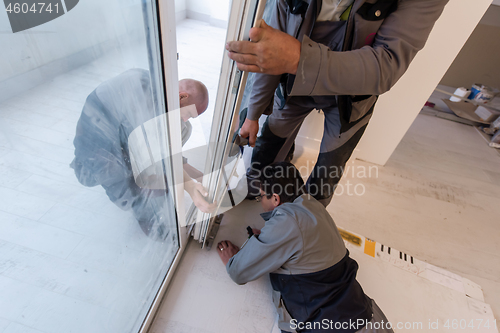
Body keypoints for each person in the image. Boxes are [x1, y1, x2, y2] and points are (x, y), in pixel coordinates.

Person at [227, 0, 449, 206]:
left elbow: (387, 67)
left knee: (326, 174)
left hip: (352, 98)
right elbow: (267, 51)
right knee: (268, 145)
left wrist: (298, 58)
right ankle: (256, 187)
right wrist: (253, 115)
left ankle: (305, 223)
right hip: (293, 86)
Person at [217, 162, 393, 333]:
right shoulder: (313, 205)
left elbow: (238, 272)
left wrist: (233, 260)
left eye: (261, 196)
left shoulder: (287, 223)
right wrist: (268, 239)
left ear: (276, 199)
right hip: (369, 318)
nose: (260, 200)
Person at [71, 68, 215, 240]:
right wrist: (190, 187)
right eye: (189, 114)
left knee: (173, 146)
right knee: (139, 191)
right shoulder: (144, 99)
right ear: (182, 96)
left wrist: (198, 176)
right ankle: (159, 229)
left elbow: (166, 152)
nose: (185, 119)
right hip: (99, 142)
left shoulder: (158, 88)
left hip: (120, 133)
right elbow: (159, 157)